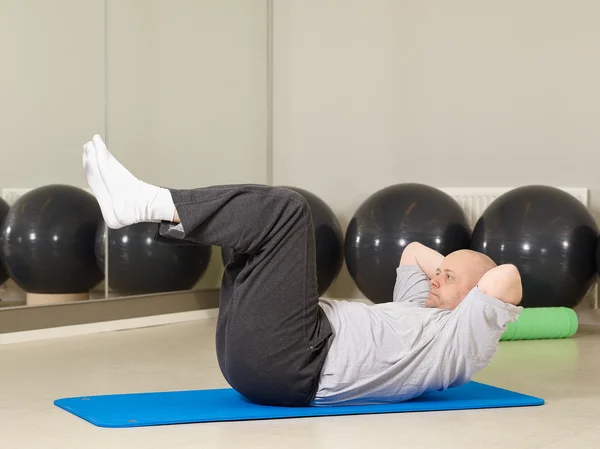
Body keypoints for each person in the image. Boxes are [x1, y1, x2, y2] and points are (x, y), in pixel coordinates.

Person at [82, 134, 523, 408]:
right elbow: (411, 252)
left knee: (288, 210)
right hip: (260, 361)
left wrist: (469, 281)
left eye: (448, 278)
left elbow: (504, 277)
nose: (436, 277)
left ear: (475, 301)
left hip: (297, 362)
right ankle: (150, 204)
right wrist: (451, 271)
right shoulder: (417, 308)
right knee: (259, 223)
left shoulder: (459, 342)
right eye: (439, 272)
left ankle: (147, 203)